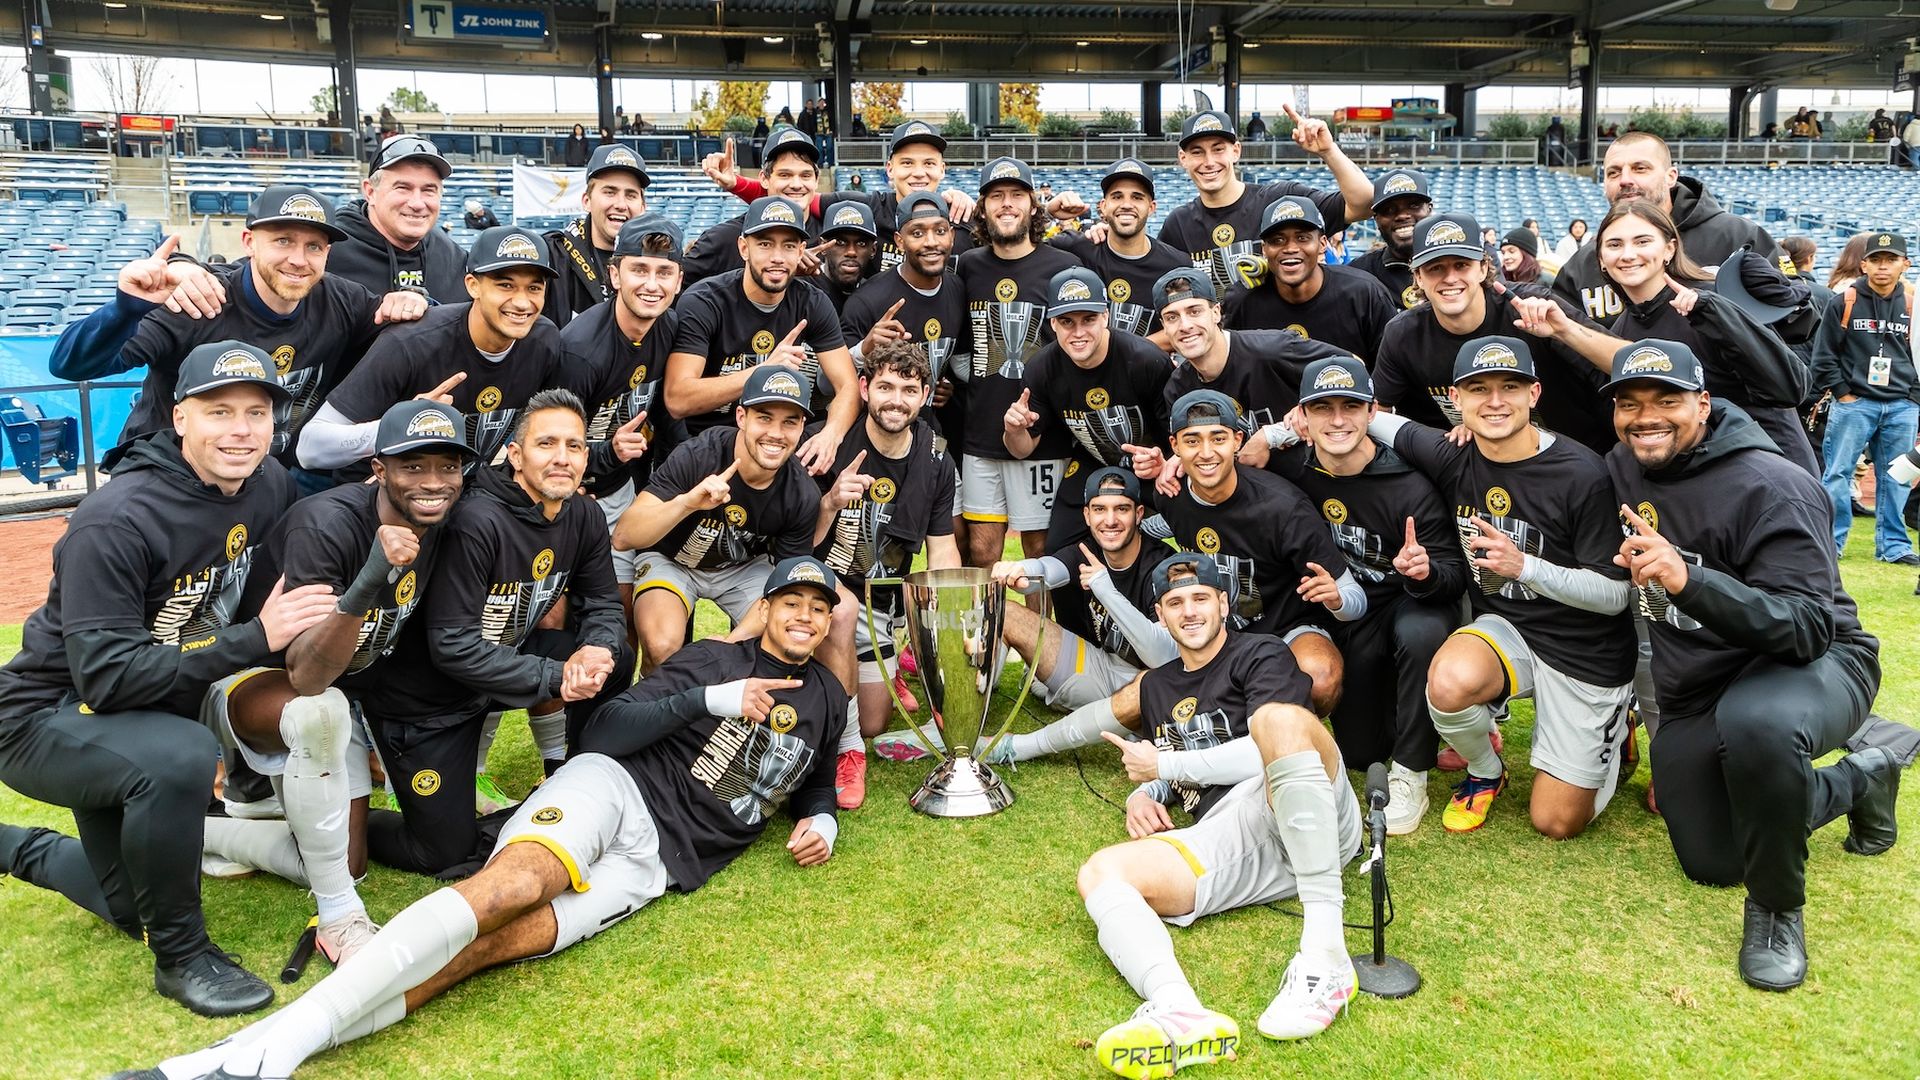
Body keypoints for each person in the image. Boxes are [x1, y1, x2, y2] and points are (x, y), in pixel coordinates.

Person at [117, 556, 851, 1080]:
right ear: (768, 608)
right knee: (510, 890)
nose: (806, 617)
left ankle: (274, 1049)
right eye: (793, 602)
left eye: (820, 609)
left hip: (658, 867)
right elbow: (605, 733)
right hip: (616, 790)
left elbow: (817, 782)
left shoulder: (829, 698)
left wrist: (824, 821)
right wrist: (709, 701)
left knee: (494, 947)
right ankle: (270, 1048)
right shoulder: (712, 662)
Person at [0, 342, 319, 1016]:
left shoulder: (268, 485)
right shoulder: (116, 519)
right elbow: (109, 680)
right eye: (219, 411)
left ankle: (12, 848)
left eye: (256, 412)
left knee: (126, 907)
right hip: (41, 717)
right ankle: (182, 958)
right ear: (179, 418)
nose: (240, 429)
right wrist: (255, 639)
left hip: (126, 711)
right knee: (177, 757)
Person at [1603, 337, 1908, 990]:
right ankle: (1863, 778)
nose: (1645, 416)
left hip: (1818, 663)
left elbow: (1806, 628)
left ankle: (1777, 910)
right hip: (1698, 686)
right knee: (1711, 859)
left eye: (1666, 400)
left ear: (1705, 403)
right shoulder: (1624, 467)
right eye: (1629, 403)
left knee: (1758, 726)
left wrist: (1690, 580)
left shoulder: (1773, 483)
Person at [199, 399, 474, 964]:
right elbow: (306, 672)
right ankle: (222, 839)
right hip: (259, 683)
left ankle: (259, 811)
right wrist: (372, 574)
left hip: (350, 685)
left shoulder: (445, 514)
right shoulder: (325, 523)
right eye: (413, 466)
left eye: (448, 467)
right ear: (378, 468)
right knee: (320, 713)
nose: (433, 482)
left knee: (345, 856)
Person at [1076, 552, 1363, 1077]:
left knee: (1278, 720)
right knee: (1100, 872)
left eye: (1201, 598)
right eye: (1174, 602)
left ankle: (1327, 958)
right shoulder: (1159, 685)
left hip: (1308, 803)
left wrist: (1163, 762)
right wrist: (1148, 790)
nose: (1189, 611)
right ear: (1159, 615)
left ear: (1224, 604)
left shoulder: (1262, 652)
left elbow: (1261, 750)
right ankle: (1177, 1010)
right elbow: (1172, 755)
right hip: (1235, 833)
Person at [1367, 336, 1636, 838]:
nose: (1494, 401)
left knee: (1556, 822)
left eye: (1509, 387)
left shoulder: (1583, 473)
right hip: (1510, 630)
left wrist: (1526, 567)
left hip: (1586, 651)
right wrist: (1278, 433)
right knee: (1447, 681)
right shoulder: (1453, 454)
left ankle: (1618, 727)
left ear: (1535, 393)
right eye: (1479, 389)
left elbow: (1617, 595)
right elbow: (1372, 417)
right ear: (1457, 399)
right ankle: (1486, 771)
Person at [362, 391, 633, 875]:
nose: (562, 458)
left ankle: (572, 776)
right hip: (428, 701)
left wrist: (596, 649)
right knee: (443, 853)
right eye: (546, 444)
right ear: (515, 454)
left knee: (615, 660)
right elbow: (451, 646)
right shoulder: (476, 519)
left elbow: (604, 603)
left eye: (574, 446)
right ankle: (349, 811)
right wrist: (556, 675)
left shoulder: (584, 515)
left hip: (492, 674)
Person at [48, 187, 428, 483]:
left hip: (262, 480)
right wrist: (124, 309)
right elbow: (69, 364)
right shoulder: (199, 299)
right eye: (283, 241)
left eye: (314, 246)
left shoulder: (341, 299)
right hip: (165, 477)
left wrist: (414, 299)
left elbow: (424, 322)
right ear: (249, 242)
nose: (299, 259)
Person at [1267, 355, 1468, 834]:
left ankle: (1411, 774)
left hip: (1412, 603)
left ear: (1372, 411)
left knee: (1419, 633)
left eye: (1351, 406)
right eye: (1324, 408)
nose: (1338, 420)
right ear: (1304, 417)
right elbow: (1226, 462)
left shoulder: (1409, 482)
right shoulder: (1293, 468)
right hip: (1352, 615)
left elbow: (1454, 574)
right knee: (1359, 752)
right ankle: (1434, 720)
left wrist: (1423, 572)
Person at [1141, 388, 1362, 717]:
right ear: (1174, 446)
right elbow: (1147, 528)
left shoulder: (1284, 508)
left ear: (1237, 440)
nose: (1205, 453)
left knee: (1320, 677)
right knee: (1144, 693)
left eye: (1218, 438)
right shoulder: (1171, 495)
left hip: (1287, 629)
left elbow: (1354, 597)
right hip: (1216, 632)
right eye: (1192, 440)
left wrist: (1337, 600)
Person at [810, 340, 961, 804]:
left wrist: (946, 619)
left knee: (875, 721)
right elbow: (794, 540)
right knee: (842, 618)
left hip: (882, 597)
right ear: (864, 388)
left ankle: (887, 665)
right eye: (886, 387)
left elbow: (942, 549)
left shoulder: (936, 458)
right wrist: (830, 499)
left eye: (908, 389)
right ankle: (844, 749)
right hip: (821, 587)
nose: (896, 399)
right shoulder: (829, 442)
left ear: (924, 395)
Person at [300, 226, 566, 483]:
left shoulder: (543, 341)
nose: (521, 303)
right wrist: (405, 423)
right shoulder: (409, 343)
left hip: (465, 495)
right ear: (473, 286)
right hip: (377, 498)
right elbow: (310, 448)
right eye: (505, 285)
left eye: (534, 288)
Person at [1571, 198, 1815, 473]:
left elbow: (1791, 386)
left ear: (1669, 249)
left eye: (1642, 242)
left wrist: (1715, 314)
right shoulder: (1622, 331)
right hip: (1702, 485)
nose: (1628, 254)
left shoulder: (1715, 298)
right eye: (1615, 245)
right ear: (1601, 259)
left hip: (1772, 474)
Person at [616, 364, 822, 674]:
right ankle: (654, 704)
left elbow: (788, 586)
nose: (776, 434)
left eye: (789, 422)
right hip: (673, 560)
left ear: (802, 426)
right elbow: (624, 535)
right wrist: (686, 503)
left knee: (788, 635)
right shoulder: (699, 454)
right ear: (742, 417)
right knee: (663, 646)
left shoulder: (802, 493)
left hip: (740, 569)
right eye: (764, 417)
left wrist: (731, 641)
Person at [1371, 210, 1624, 454]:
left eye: (1461, 265)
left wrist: (1565, 331)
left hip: (1580, 455)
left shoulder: (1530, 305)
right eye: (1435, 268)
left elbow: (1631, 362)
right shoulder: (1403, 333)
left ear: (1483, 269)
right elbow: (1377, 412)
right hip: (1483, 466)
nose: (1449, 278)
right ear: (1418, 277)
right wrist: (1439, 440)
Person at [663, 196, 859, 472]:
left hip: (775, 445)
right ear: (744, 247)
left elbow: (847, 386)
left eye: (789, 246)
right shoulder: (704, 301)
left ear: (801, 249)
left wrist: (831, 435)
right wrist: (762, 372)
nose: (777, 257)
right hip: (706, 445)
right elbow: (678, 399)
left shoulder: (812, 302)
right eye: (765, 244)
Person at [955, 157, 1084, 567]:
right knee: (981, 552)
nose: (1006, 204)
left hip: (1045, 436)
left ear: (1033, 205)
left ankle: (1043, 634)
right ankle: (985, 634)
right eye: (996, 196)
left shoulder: (1064, 268)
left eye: (1016, 195)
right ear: (983, 207)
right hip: (980, 434)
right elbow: (959, 350)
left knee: (1039, 555)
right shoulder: (966, 268)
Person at [562, 214, 685, 617]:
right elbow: (550, 445)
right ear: (614, 275)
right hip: (567, 493)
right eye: (639, 270)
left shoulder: (669, 328)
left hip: (617, 491)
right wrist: (609, 454)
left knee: (622, 611)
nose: (652, 285)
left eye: (664, 272)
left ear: (679, 281)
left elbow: (668, 415)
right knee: (556, 614)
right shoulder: (580, 351)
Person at [1006, 266, 1172, 551]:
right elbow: (1021, 448)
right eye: (1067, 321)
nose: (1079, 332)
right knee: (1059, 549)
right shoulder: (1042, 368)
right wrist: (1013, 429)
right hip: (1094, 461)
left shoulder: (1145, 360)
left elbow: (1182, 436)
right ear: (1053, 323)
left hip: (1157, 466)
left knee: (1189, 534)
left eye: (1089, 319)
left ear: (1106, 316)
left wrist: (1165, 462)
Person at [1553, 132, 1795, 326]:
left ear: (1671, 177)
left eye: (1640, 168)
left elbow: (1797, 313)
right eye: (1613, 172)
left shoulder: (1739, 236)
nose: (1625, 180)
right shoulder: (1585, 261)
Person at [1158, 107, 1374, 296]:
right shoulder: (1178, 224)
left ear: (1236, 151)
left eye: (1218, 149)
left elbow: (1364, 205)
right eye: (1197, 152)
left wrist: (1329, 151)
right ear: (1183, 158)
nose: (1209, 162)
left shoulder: (1280, 199)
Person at [1810, 230, 1917, 564]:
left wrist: (1913, 398)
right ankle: (1832, 543)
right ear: (1864, 265)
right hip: (1855, 403)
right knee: (1838, 474)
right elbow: (1823, 355)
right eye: (1876, 260)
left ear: (1905, 263)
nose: (1883, 267)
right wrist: (1843, 394)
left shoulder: (1914, 303)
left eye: (1890, 260)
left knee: (1897, 476)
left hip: (1902, 404)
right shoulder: (1844, 301)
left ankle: (1894, 546)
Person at [839, 191, 969, 436]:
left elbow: (958, 363)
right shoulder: (868, 300)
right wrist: (864, 349)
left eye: (940, 231)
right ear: (899, 241)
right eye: (917, 233)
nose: (931, 242)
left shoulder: (958, 289)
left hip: (931, 432)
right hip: (874, 438)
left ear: (951, 236)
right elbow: (829, 382)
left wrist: (948, 382)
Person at [1220, 195, 1399, 363]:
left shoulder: (1364, 293)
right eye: (1277, 240)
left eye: (1302, 238)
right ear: (1264, 250)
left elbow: (1392, 369)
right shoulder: (1243, 299)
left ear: (1322, 245)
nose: (1290, 248)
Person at [1046, 158, 1189, 338]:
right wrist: (1047, 212)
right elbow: (1015, 246)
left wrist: (1125, 354)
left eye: (1137, 197)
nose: (1127, 205)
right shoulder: (1076, 248)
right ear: (1103, 207)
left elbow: (1186, 328)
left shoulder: (1177, 265)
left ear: (1151, 207)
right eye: (1117, 196)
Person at [330, 135, 467, 302]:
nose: (417, 203)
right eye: (402, 188)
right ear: (370, 192)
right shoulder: (329, 250)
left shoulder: (454, 259)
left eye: (428, 190)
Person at [682, 127, 824, 287]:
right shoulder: (723, 239)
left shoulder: (834, 239)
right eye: (785, 175)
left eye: (805, 175)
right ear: (764, 179)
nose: (797, 185)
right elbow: (673, 290)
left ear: (816, 180)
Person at [543, 142, 651, 329]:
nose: (620, 204)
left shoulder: (658, 263)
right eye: (610, 192)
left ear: (643, 207)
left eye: (631, 195)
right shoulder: (552, 257)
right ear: (587, 201)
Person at [1349, 168, 1434, 310]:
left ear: (1429, 210)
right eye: (1388, 210)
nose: (1402, 216)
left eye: (1413, 205)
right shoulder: (1358, 274)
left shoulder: (1461, 265)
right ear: (1376, 220)